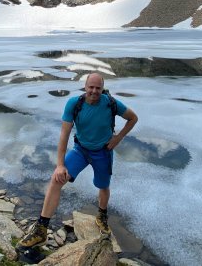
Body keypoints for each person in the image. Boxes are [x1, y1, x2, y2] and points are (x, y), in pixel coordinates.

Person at [17, 73, 138, 250]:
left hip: (103, 152)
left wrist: (118, 138)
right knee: (56, 180)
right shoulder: (75, 104)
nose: (94, 91)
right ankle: (41, 230)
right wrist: (60, 165)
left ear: (102, 89)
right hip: (81, 150)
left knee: (103, 186)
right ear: (85, 86)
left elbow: (133, 118)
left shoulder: (110, 103)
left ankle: (101, 216)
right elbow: (64, 134)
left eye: (98, 88)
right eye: (91, 87)